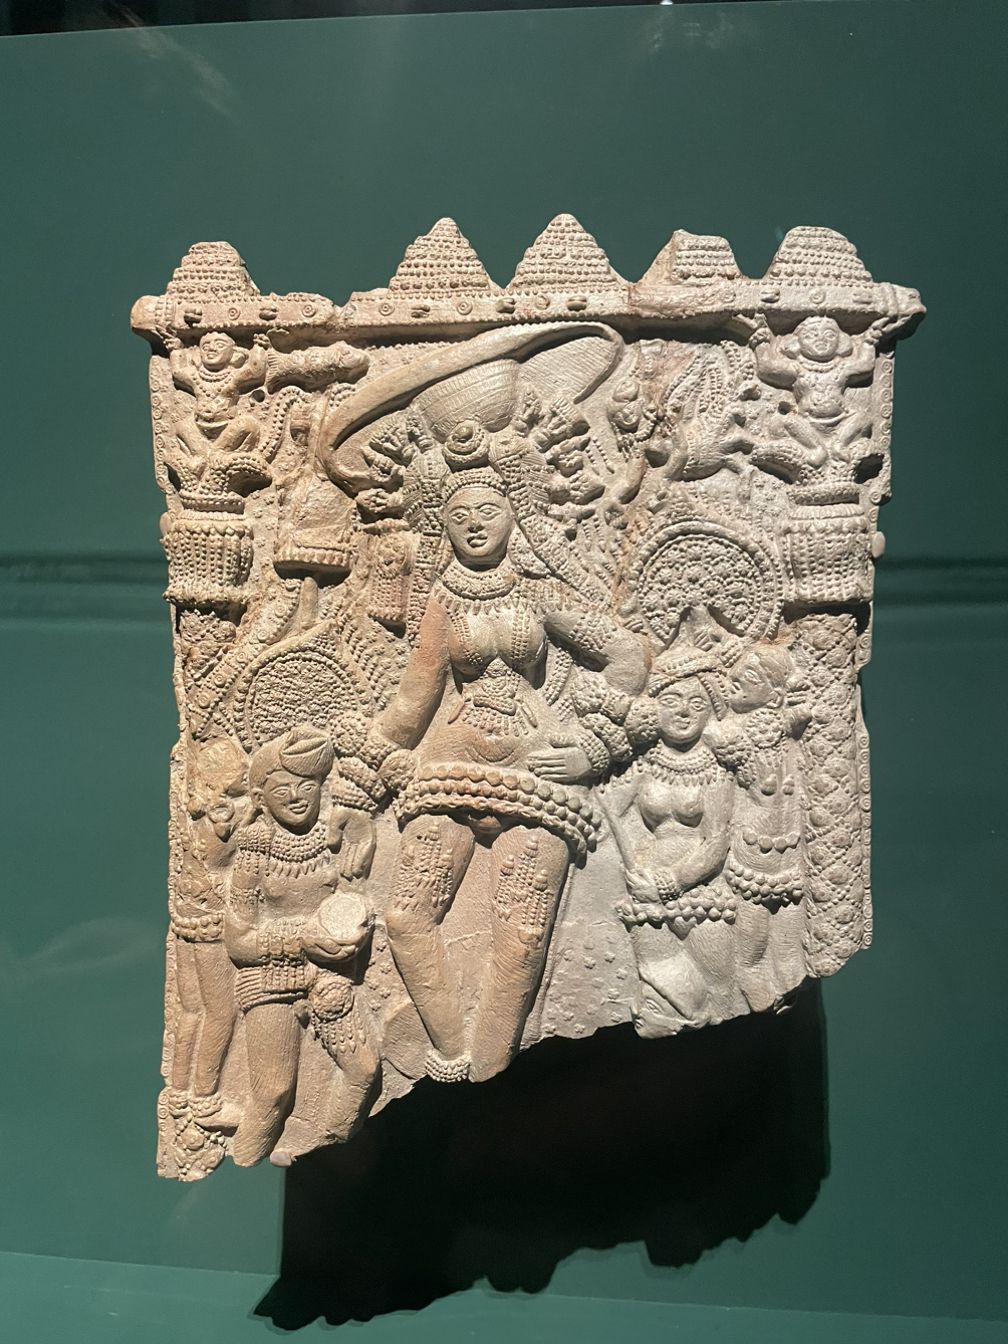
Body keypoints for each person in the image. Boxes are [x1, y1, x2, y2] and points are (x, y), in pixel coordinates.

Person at [348, 413, 649, 1084]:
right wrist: (354, 774)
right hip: (452, 762)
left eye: (488, 511)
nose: (475, 526)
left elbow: (628, 656)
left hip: (534, 767)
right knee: (406, 917)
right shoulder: (443, 601)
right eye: (460, 517)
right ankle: (451, 1050)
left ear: (515, 514)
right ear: (443, 526)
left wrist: (593, 745)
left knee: (522, 936)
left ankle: (488, 1065)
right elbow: (412, 704)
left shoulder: (540, 593)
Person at [224, 725, 378, 1166]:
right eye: (283, 790)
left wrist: (354, 931)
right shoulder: (254, 851)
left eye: (307, 786)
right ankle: (245, 1157)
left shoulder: (332, 837)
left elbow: (355, 903)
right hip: (268, 978)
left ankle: (320, 1141)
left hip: (326, 974)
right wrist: (301, 938)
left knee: (364, 1071)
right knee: (274, 1093)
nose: (296, 797)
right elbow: (238, 942)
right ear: (260, 799)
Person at [600, 647, 741, 1033]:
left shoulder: (715, 770)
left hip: (698, 893)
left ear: (710, 711)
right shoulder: (645, 763)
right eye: (672, 701)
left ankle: (721, 1049)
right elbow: (608, 808)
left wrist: (671, 882)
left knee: (721, 990)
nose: (683, 712)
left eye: (696, 703)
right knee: (657, 982)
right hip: (645, 890)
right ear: (655, 708)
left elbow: (717, 843)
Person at [707, 643, 809, 1010]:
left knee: (790, 952)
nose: (735, 678)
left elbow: (803, 713)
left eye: (748, 676)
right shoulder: (730, 734)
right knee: (751, 952)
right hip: (753, 858)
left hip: (791, 857)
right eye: (735, 674)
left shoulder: (784, 725)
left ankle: (787, 991)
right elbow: (718, 736)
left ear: (775, 693)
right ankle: (759, 997)